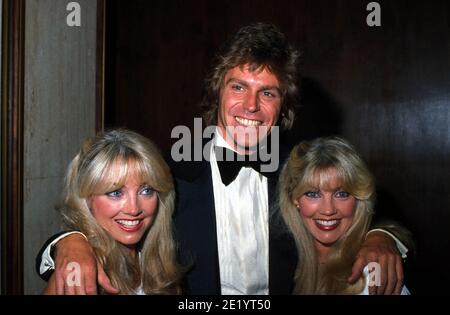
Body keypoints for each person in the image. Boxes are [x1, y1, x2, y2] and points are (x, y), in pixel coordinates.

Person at [37, 22, 408, 295]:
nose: (250, 105)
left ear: (283, 109)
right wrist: (68, 242)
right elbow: (103, 215)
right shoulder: (168, 174)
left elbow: (354, 215)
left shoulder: (303, 179)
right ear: (218, 93)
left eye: (267, 93)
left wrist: (381, 238)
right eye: (238, 87)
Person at [40, 129, 182, 294]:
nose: (134, 209)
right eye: (115, 193)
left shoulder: (157, 256)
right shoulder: (78, 274)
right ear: (87, 199)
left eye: (146, 190)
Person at [278, 137, 410, 294]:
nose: (328, 210)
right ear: (294, 198)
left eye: (341, 194)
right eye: (313, 194)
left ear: (358, 198)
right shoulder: (282, 261)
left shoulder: (374, 272)